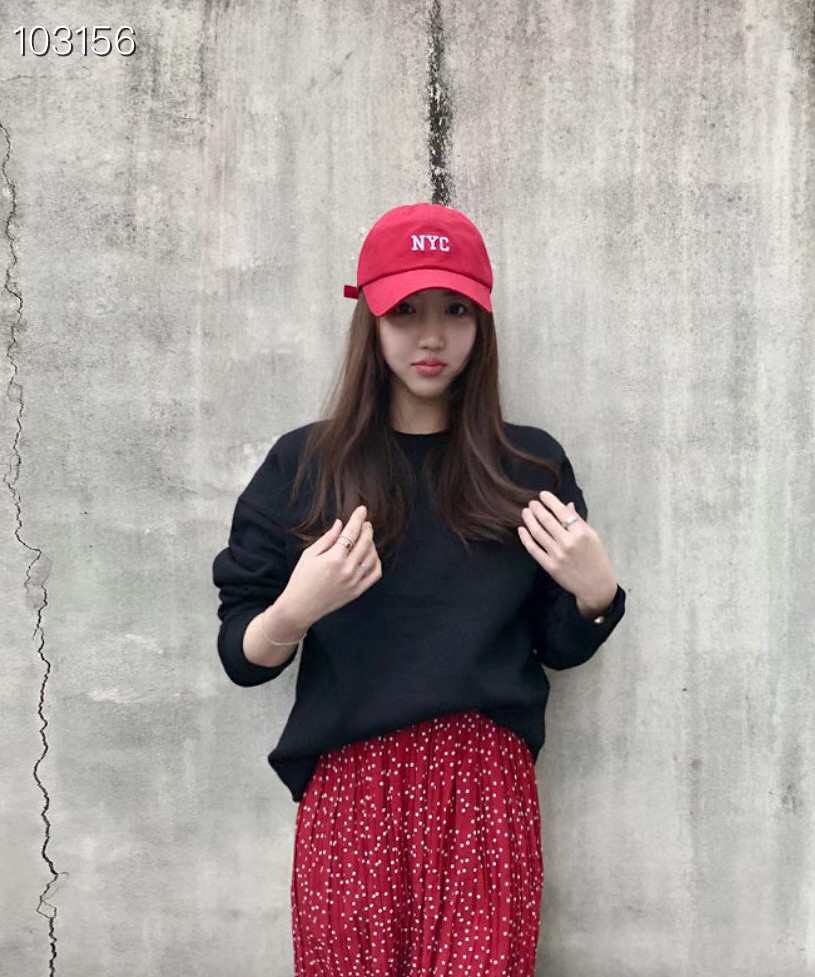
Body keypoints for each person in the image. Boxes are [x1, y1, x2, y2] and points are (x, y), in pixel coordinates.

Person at [211, 202, 627, 976]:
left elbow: (557, 646)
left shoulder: (527, 468)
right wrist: (295, 609)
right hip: (351, 787)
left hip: (484, 788)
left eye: (454, 311)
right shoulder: (306, 467)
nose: (430, 336)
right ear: (368, 317)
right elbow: (241, 654)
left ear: (481, 323)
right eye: (405, 311)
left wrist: (595, 595)